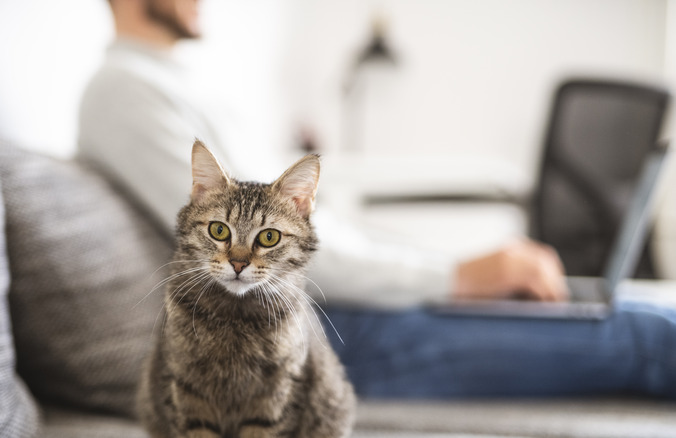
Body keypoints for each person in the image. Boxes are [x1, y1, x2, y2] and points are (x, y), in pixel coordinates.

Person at [78, 0, 676, 399]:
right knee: (648, 337)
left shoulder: (187, 84)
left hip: (334, 303)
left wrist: (459, 266)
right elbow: (298, 262)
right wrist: (461, 275)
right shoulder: (124, 92)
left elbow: (312, 233)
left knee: (638, 310)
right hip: (323, 326)